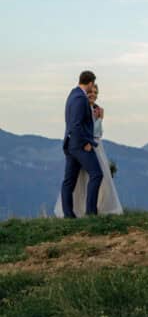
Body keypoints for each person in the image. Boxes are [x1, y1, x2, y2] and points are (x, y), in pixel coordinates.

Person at [55, 82, 123, 217]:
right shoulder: (83, 107)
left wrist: (99, 119)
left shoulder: (96, 109)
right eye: (90, 92)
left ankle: (90, 209)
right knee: (85, 178)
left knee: (94, 180)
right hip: (86, 146)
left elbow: (98, 133)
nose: (93, 95)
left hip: (95, 147)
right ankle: (85, 211)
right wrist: (88, 139)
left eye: (95, 93)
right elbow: (84, 129)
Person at [60, 71, 103, 217]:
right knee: (96, 174)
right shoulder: (80, 98)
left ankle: (68, 215)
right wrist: (86, 142)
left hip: (70, 144)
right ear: (90, 83)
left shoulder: (72, 94)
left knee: (69, 182)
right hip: (79, 145)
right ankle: (91, 212)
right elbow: (76, 124)